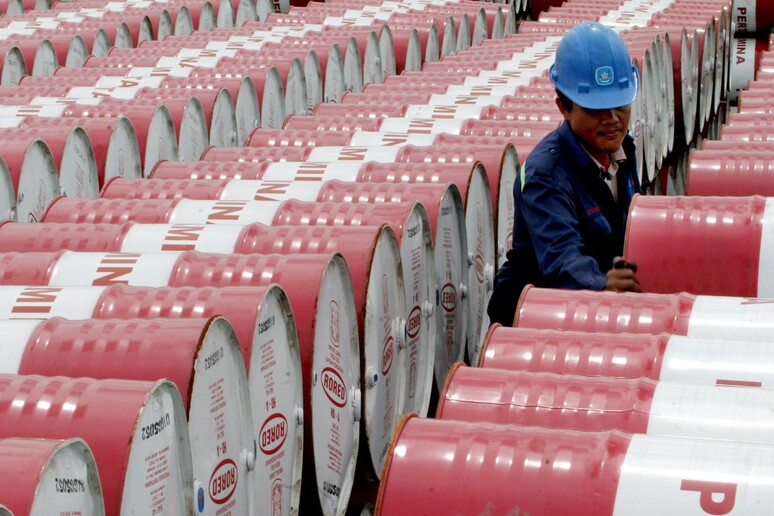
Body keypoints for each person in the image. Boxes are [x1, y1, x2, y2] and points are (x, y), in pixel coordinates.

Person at [488, 21, 642, 327]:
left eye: (620, 105)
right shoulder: (545, 175)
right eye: (596, 109)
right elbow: (562, 262)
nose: (613, 119)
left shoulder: (623, 149)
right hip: (530, 320)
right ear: (564, 107)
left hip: (592, 307)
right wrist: (604, 283)